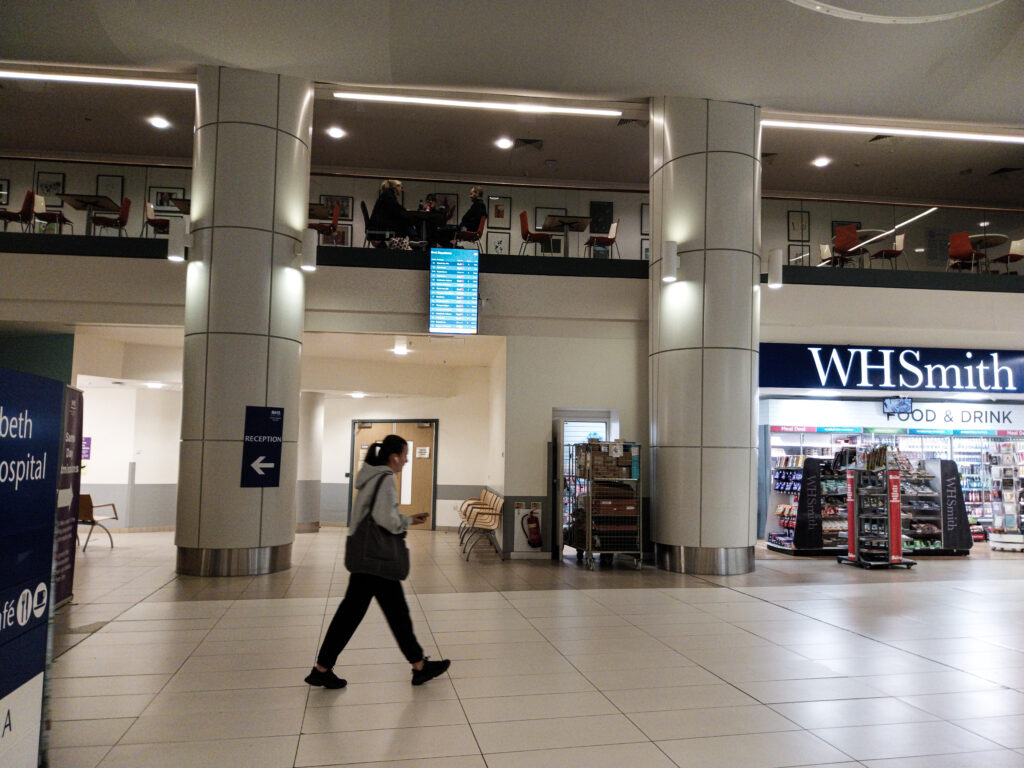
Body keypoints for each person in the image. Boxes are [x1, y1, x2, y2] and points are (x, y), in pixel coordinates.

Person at [305, 435, 450, 688]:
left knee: (359, 613)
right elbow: (386, 519)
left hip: (366, 555)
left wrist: (405, 518)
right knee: (391, 613)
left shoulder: (370, 476)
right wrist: (405, 521)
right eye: (405, 455)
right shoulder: (385, 478)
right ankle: (418, 666)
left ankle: (323, 668)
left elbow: (377, 514)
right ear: (394, 456)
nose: (406, 460)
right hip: (376, 558)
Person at [368, 179, 412, 250]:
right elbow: (397, 209)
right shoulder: (388, 196)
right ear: (396, 187)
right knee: (404, 223)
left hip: (378, 226)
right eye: (401, 187)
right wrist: (406, 211)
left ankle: (409, 241)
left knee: (403, 223)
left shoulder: (386, 195)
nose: (401, 189)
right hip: (380, 228)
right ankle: (412, 240)